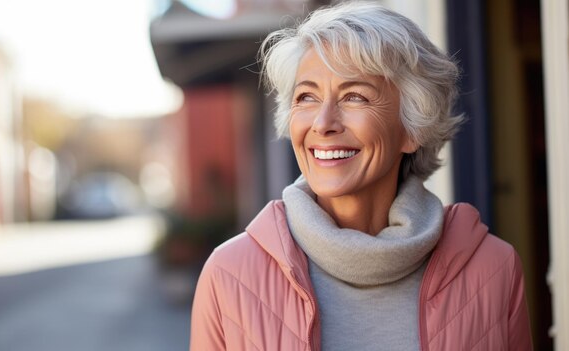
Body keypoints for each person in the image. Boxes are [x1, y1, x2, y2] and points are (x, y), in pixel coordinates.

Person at [189, 2, 532, 350]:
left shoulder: (493, 267)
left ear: (413, 128)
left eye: (354, 96)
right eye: (307, 96)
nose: (322, 124)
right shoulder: (230, 273)